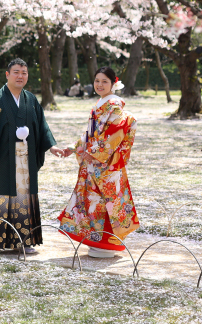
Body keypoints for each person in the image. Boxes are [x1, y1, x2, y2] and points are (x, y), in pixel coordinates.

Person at [0, 58, 63, 255]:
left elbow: (42, 127)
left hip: (26, 158)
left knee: (24, 197)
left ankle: (24, 241)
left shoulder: (30, 100)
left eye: (24, 72)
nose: (20, 76)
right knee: (1, 197)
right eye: (16, 72)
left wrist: (52, 147)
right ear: (7, 74)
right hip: (2, 158)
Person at [57, 66, 139, 258]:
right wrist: (74, 148)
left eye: (105, 81)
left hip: (105, 165)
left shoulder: (114, 105)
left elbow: (116, 132)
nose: (100, 85)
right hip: (93, 162)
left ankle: (106, 244)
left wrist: (94, 153)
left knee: (104, 202)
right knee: (92, 202)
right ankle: (96, 240)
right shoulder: (100, 103)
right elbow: (90, 134)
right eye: (97, 81)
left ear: (113, 84)